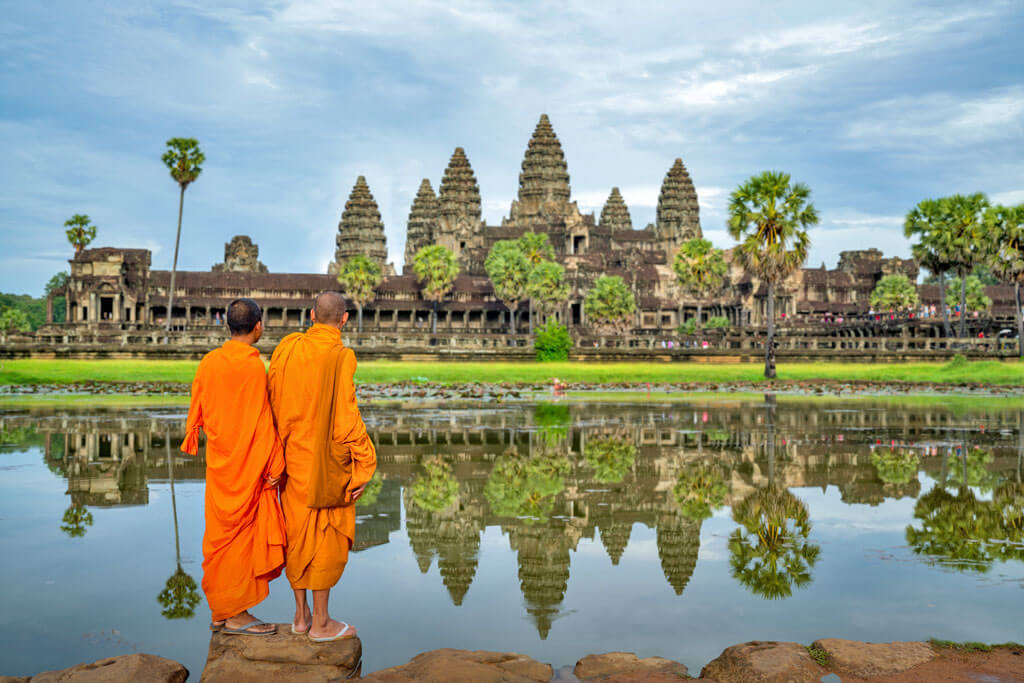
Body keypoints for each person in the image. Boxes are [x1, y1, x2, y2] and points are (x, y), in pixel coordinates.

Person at [268, 291, 377, 642]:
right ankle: (322, 622)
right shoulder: (341, 355)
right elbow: (347, 417)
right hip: (325, 464)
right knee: (324, 538)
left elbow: (272, 398)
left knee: (297, 536)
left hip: (290, 460)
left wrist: (273, 455)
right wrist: (365, 462)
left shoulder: (287, 347)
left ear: (312, 314)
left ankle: (300, 616)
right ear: (344, 319)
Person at [180, 298, 286, 636]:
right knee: (240, 538)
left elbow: (198, 410)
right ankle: (235, 613)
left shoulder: (209, 362)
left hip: (222, 463)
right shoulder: (254, 367)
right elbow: (261, 420)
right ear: (259, 326)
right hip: (247, 466)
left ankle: (221, 611)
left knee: (220, 537)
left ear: (228, 326)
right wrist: (275, 462)